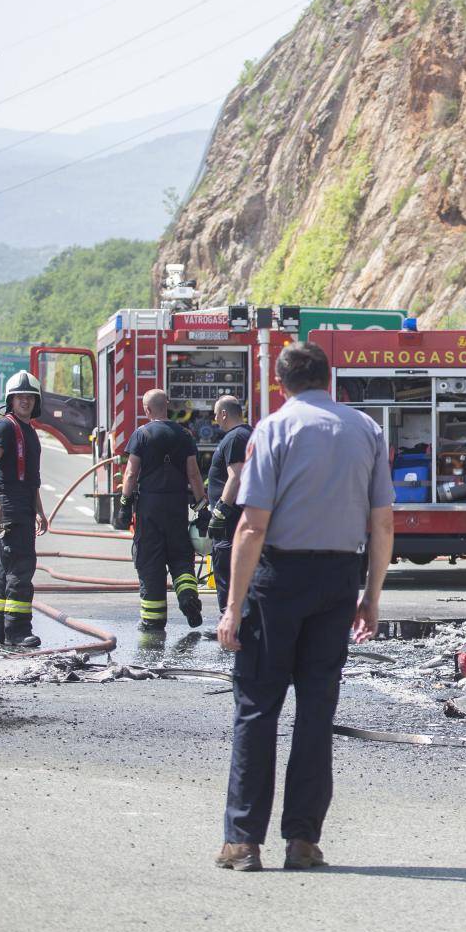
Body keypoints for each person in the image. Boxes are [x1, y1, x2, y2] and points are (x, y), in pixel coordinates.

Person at [215, 341, 393, 873]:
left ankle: (244, 842)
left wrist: (232, 605)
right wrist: (371, 597)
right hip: (338, 579)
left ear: (280, 382)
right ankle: (303, 841)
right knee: (316, 713)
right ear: (329, 377)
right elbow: (383, 522)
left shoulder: (272, 429)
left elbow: (252, 524)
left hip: (278, 579)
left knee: (257, 707)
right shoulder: (366, 430)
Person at [117, 388, 206, 632]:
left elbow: (131, 473)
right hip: (177, 506)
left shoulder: (141, 435)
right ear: (167, 406)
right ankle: (188, 596)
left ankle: (153, 620)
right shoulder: (184, 434)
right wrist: (202, 506)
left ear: (147, 410)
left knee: (150, 560)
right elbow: (194, 474)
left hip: (149, 507)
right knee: (180, 556)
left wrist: (124, 504)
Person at [0, 372, 49, 648]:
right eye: (20, 397)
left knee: (5, 567)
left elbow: (31, 478)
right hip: (9, 507)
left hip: (23, 506)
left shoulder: (29, 431)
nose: (25, 401)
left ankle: (0, 628)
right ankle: (17, 630)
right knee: (21, 568)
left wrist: (38, 510)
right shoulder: (5, 427)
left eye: (30, 397)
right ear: (10, 400)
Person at [204, 395, 253, 614]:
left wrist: (221, 511)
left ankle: (230, 621)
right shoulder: (247, 434)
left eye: (216, 414)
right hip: (242, 514)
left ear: (224, 413)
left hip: (231, 519)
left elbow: (235, 476)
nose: (215, 419)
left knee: (225, 567)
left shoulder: (235, 438)